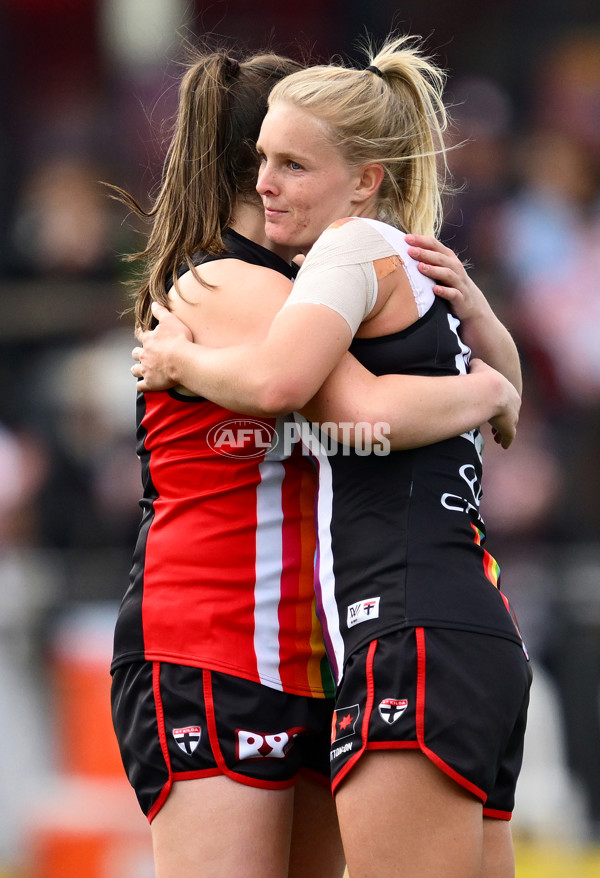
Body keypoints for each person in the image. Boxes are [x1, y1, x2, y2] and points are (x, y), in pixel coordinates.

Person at [132, 35, 531, 878]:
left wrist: (494, 383)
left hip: (330, 646)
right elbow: (353, 408)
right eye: (272, 161)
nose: (279, 182)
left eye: (297, 162)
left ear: (359, 174)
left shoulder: (343, 269)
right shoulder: (242, 284)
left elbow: (350, 403)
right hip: (222, 642)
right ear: (256, 166)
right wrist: (491, 386)